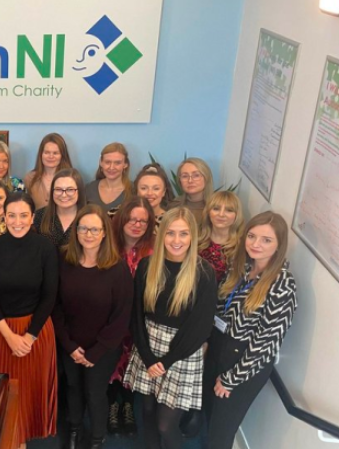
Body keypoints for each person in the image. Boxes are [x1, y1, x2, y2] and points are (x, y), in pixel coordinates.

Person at [122, 207, 217, 449]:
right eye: (171, 233)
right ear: (162, 234)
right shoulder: (147, 266)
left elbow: (201, 327)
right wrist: (147, 356)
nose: (176, 241)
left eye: (183, 234)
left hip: (181, 353)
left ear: (192, 237)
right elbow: (136, 314)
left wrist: (167, 360)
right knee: (148, 411)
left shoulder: (204, 272)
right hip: (148, 346)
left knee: (166, 424)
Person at [204, 212, 297, 449]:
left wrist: (231, 379)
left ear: (279, 245)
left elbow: (266, 343)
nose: (256, 244)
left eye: (266, 240)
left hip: (243, 362)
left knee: (221, 433)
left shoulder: (282, 283)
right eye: (252, 236)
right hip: (218, 346)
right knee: (209, 416)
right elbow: (219, 307)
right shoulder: (242, 267)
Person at [0, 192, 58, 443]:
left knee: (29, 393)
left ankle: (24, 438)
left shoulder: (45, 247)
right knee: (3, 394)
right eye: (11, 215)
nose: (17, 221)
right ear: (4, 216)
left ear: (32, 216)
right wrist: (10, 337)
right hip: (1, 331)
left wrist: (29, 336)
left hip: (36, 332)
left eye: (23, 215)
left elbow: (49, 296)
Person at [53, 205, 133, 449]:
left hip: (103, 348)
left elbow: (121, 317)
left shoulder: (117, 269)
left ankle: (97, 438)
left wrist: (95, 352)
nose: (88, 234)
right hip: (71, 345)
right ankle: (75, 430)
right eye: (83, 228)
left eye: (94, 229)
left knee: (95, 393)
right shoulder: (64, 260)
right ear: (76, 231)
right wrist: (69, 346)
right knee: (74, 389)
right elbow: (55, 306)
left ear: (104, 233)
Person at [106, 197, 156, 436]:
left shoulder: (154, 250)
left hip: (139, 320)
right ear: (122, 219)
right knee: (110, 362)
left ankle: (127, 405)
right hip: (110, 317)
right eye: (132, 219)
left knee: (130, 364)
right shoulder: (107, 245)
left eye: (143, 221)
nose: (136, 224)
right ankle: (112, 406)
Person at [197, 191, 244, 283]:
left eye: (229, 210)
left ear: (237, 215)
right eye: (216, 209)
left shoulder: (241, 247)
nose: (221, 214)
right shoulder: (197, 238)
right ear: (208, 212)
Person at [33, 169, 86, 248]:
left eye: (70, 190)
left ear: (79, 191)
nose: (64, 195)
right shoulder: (39, 216)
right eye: (58, 189)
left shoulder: (90, 217)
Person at [23, 133, 74, 209]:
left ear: (62, 155)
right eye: (47, 152)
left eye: (55, 153)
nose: (51, 156)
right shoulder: (30, 178)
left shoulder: (72, 178)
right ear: (41, 154)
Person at [85, 143, 132, 210]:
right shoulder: (89, 189)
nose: (111, 167)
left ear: (125, 164)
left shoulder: (133, 191)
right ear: (101, 162)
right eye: (107, 162)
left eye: (117, 163)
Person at [169, 158, 214, 225]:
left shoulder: (217, 207)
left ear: (206, 177)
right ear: (179, 180)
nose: (190, 180)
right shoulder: (174, 206)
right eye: (185, 176)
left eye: (196, 175)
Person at [134, 163, 175, 232]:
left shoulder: (171, 221)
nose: (150, 193)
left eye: (156, 189)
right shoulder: (125, 217)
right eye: (144, 188)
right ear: (137, 190)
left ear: (164, 192)